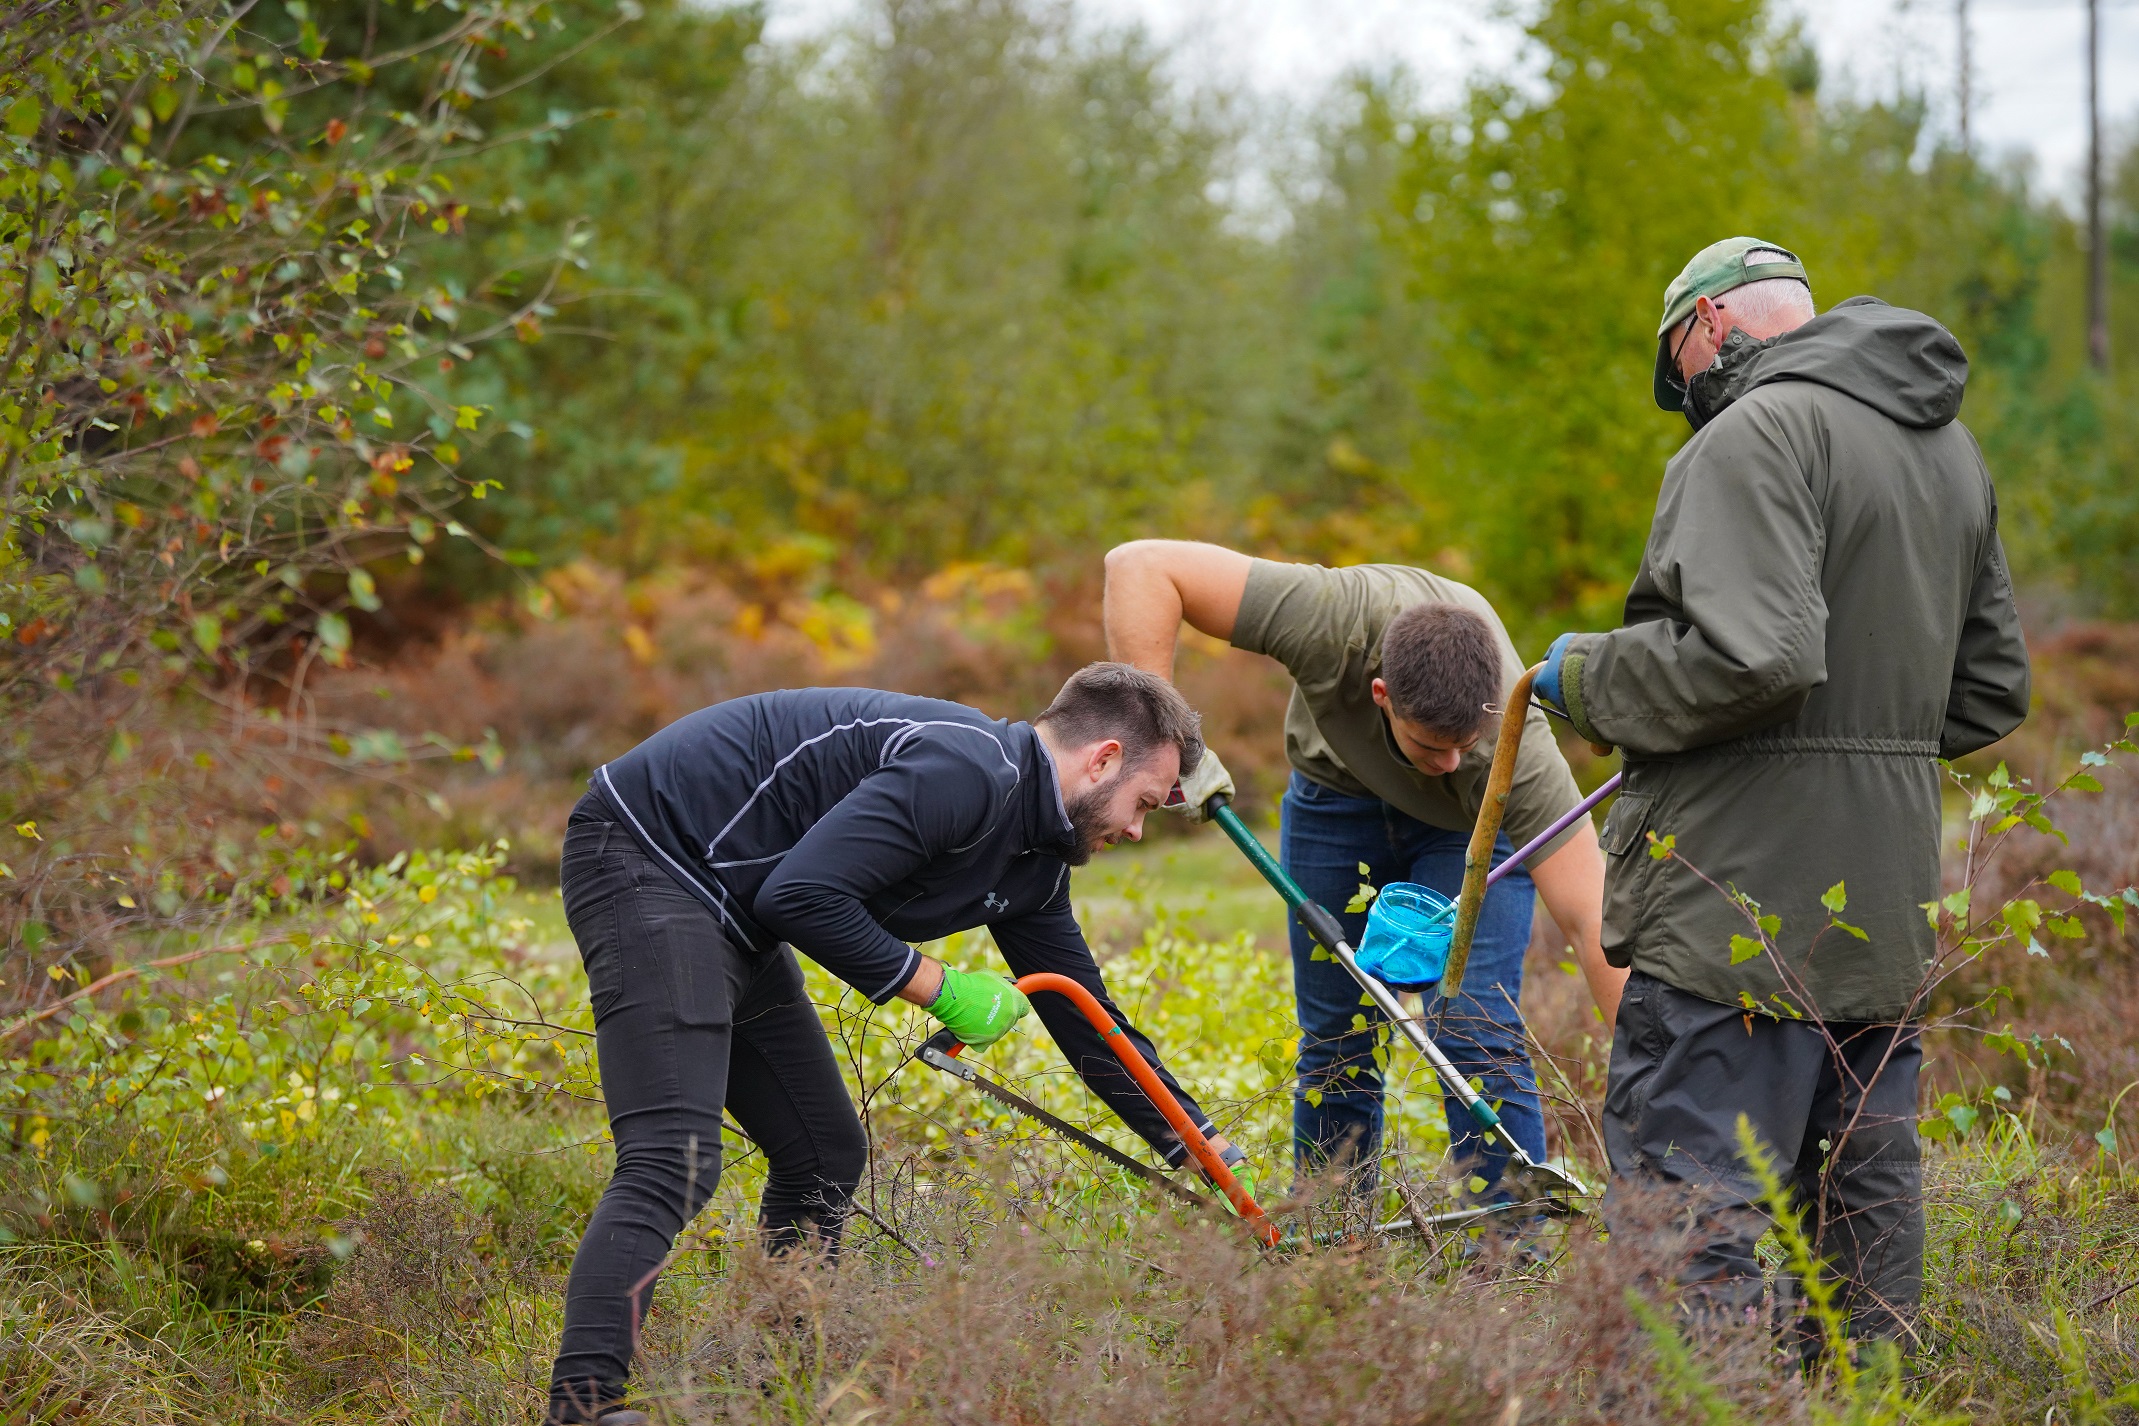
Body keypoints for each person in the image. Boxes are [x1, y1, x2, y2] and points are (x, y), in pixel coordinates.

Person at [1533, 237, 2030, 1350]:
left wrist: (1591, 677)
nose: (1686, 399)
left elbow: (1757, 657)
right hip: (1885, 913)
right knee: (1863, 1210)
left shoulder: (1753, 430)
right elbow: (1993, 689)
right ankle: (1870, 1399)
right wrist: (1868, 747)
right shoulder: (1948, 450)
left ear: (1709, 327)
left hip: (1735, 909)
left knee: (1688, 1199)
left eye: (1679, 366)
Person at [547, 665, 1244, 1424]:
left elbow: (1087, 1018)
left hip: (736, 910)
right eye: (1142, 804)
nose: (1137, 829)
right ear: (1102, 759)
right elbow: (802, 896)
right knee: (671, 1157)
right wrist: (938, 987)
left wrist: (1196, 1143)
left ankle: (772, 1388)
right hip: (649, 856)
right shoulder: (965, 769)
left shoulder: (1036, 860)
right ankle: (582, 1409)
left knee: (823, 1152)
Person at [1103, 540, 1625, 1201]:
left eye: (1463, 746)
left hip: (1466, 828)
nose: (1448, 763)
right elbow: (1140, 566)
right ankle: (1333, 1229)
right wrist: (1162, 743)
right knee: (1337, 1037)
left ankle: (1505, 1247)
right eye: (1432, 747)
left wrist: (1647, 1078)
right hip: (1335, 802)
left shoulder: (1510, 752)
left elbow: (1592, 918)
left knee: (1472, 1029)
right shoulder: (1329, 620)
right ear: (1379, 693)